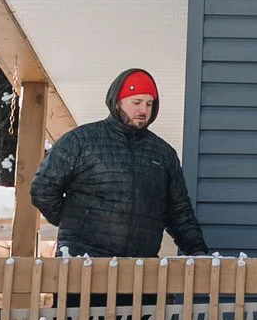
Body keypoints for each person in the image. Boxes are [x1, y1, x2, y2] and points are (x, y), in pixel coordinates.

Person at [28, 69, 209, 258]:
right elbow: (43, 190)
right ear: (116, 102)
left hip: (139, 269)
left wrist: (197, 251)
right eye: (136, 102)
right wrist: (75, 221)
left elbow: (179, 211)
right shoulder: (80, 141)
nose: (143, 110)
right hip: (82, 263)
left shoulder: (163, 154)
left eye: (149, 103)